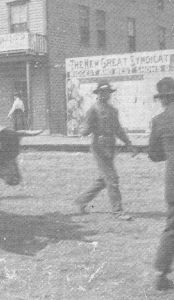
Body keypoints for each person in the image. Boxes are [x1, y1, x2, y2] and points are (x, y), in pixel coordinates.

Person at [75, 81, 136, 220]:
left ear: (110, 94)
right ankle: (118, 211)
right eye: (102, 92)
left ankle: (81, 200)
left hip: (110, 145)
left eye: (107, 92)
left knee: (104, 179)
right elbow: (86, 129)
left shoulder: (113, 110)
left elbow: (118, 129)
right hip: (99, 146)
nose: (105, 94)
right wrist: (84, 130)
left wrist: (129, 144)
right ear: (98, 94)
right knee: (112, 178)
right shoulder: (93, 110)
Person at [148, 77, 174, 291]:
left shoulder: (159, 120)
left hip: (172, 181)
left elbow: (154, 155)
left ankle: (160, 273)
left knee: (172, 228)